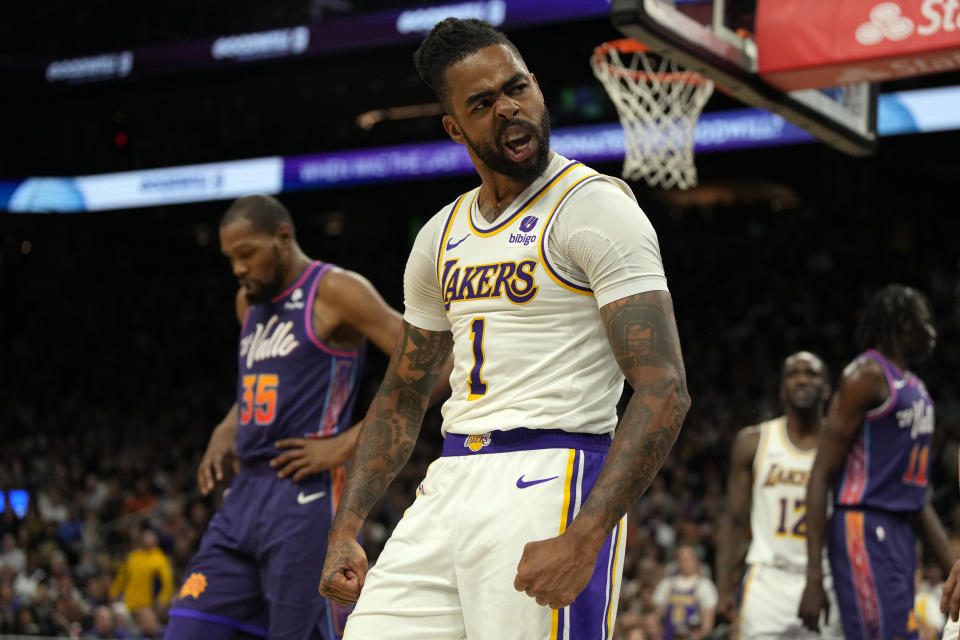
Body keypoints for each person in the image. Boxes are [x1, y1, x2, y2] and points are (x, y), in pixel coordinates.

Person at [319, 17, 691, 640]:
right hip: (451, 475)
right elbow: (405, 393)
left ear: (538, 88)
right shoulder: (439, 235)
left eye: (517, 87)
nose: (510, 108)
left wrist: (585, 535)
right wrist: (345, 526)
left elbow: (665, 388)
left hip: (553, 474)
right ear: (454, 128)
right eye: (484, 103)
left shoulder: (594, 207)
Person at [164, 195, 448, 640]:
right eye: (229, 258)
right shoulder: (247, 303)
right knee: (188, 628)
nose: (238, 268)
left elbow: (435, 365)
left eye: (246, 253)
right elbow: (262, 384)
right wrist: (226, 426)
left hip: (306, 497)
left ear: (283, 238)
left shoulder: (336, 290)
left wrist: (347, 441)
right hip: (244, 494)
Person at [799, 284, 956, 640]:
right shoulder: (866, 375)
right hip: (862, 525)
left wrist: (952, 567)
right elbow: (821, 474)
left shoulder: (917, 388)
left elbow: (917, 499)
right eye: (926, 323)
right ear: (903, 325)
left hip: (902, 531)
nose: (933, 333)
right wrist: (813, 578)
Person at [715, 351, 842, 639]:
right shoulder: (753, 442)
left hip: (826, 579)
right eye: (794, 374)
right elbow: (734, 521)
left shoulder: (843, 448)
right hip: (767, 581)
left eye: (811, 374)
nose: (802, 379)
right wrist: (723, 589)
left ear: (826, 389)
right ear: (781, 389)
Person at [652, 545, 718, 640]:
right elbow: (657, 615)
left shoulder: (705, 586)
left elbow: (707, 624)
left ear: (696, 561)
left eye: (687, 559)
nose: (684, 563)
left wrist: (696, 636)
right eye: (681, 560)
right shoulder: (667, 584)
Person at [109, 529, 173, 625]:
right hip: (129, 602)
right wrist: (114, 591)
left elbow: (167, 582)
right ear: (141, 540)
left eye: (151, 538)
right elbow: (122, 577)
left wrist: (163, 599)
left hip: (147, 605)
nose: (148, 541)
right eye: (146, 538)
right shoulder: (133, 557)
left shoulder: (161, 560)